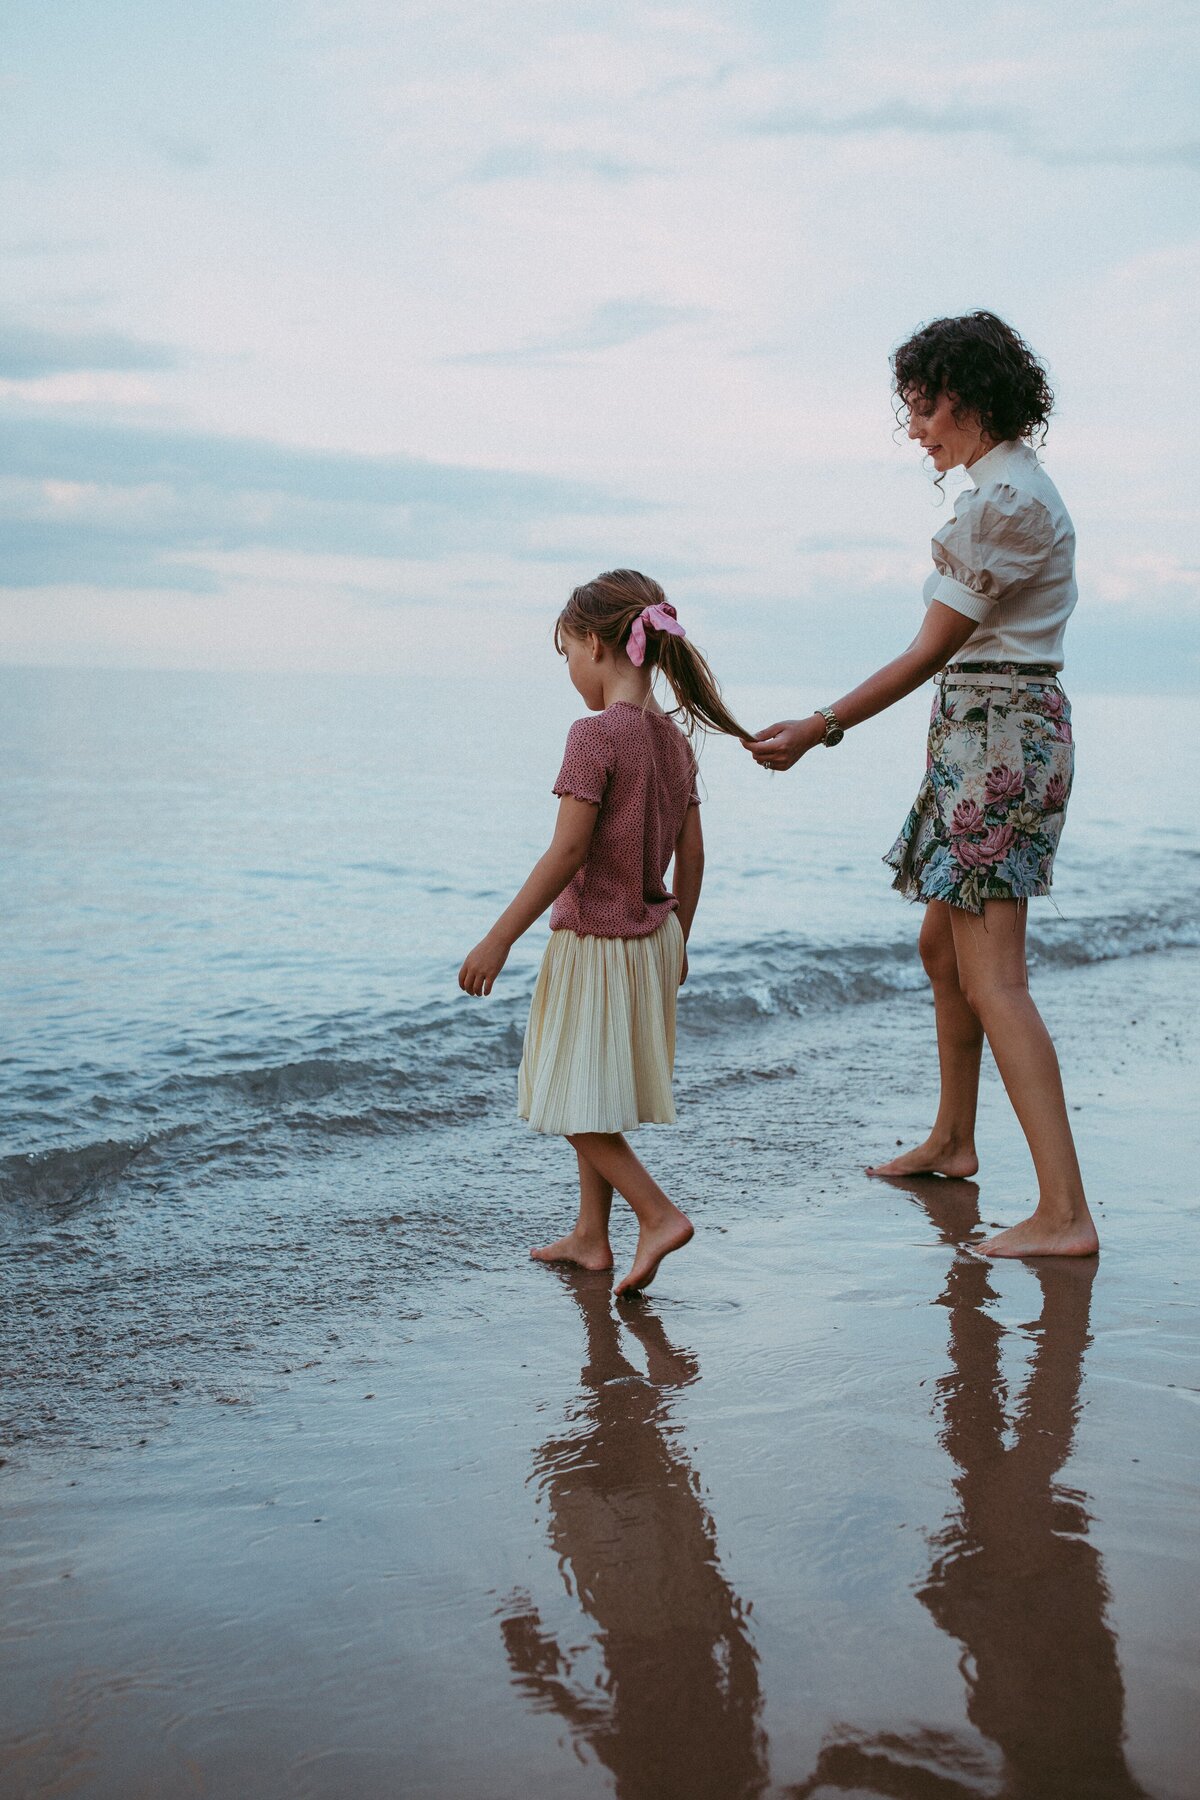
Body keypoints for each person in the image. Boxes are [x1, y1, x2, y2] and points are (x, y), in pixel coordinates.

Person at [745, 311, 1098, 1259]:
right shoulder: (1000, 492)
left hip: (997, 738)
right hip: (980, 732)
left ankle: (1065, 1213)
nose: (915, 430)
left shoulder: (1006, 502)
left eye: (922, 406)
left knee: (997, 981)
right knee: (943, 953)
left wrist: (822, 727)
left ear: (968, 398)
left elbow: (929, 649)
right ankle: (954, 1138)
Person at [459, 569, 747, 1297]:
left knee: (563, 1096)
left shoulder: (595, 736)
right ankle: (592, 1236)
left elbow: (568, 851)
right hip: (653, 941)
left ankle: (657, 1213)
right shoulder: (674, 743)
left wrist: (499, 938)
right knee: (591, 1089)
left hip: (594, 943)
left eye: (567, 657)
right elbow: (697, 854)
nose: (570, 675)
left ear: (595, 642)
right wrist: (681, 934)